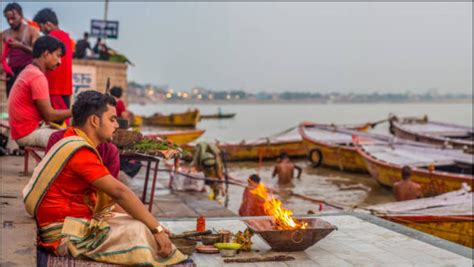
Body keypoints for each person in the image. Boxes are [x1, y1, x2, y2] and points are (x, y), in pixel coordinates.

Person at [22, 91, 187, 266]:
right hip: (62, 232)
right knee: (138, 232)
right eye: (112, 119)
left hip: (73, 219)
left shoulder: (72, 138)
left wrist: (151, 224)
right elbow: (119, 192)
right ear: (94, 120)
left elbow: (110, 198)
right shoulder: (79, 150)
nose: (116, 125)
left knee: (140, 223)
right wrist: (156, 229)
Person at [7, 35, 71, 148]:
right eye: (58, 56)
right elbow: (49, 115)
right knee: (74, 142)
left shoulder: (29, 70)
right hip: (28, 134)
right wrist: (77, 110)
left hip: (25, 131)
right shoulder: (37, 77)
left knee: (71, 133)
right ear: (46, 53)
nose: (60, 62)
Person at [33, 8, 73, 113]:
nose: (40, 31)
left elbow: (38, 56)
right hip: (64, 89)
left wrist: (21, 47)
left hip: (54, 88)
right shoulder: (67, 37)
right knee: (61, 124)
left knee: (53, 123)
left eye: (40, 27)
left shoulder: (51, 39)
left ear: (48, 25)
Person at [2, 3, 40, 97]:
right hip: (11, 73)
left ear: (21, 16)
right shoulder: (4, 34)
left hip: (28, 72)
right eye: (8, 19)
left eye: (13, 18)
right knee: (12, 102)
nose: (10, 22)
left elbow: (38, 53)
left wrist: (21, 47)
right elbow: (1, 57)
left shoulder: (32, 31)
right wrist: (2, 72)